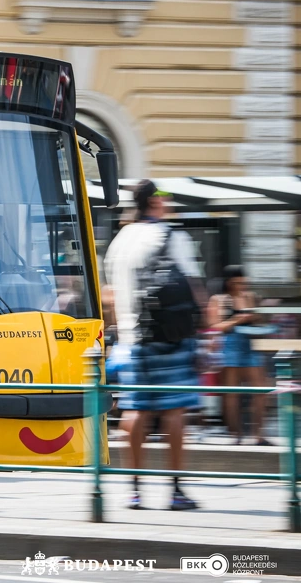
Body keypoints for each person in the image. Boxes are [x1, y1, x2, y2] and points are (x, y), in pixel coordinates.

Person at [103, 180, 202, 511]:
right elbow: (194, 287)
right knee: (174, 412)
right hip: (171, 337)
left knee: (135, 411)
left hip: (132, 339)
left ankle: (134, 491)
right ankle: (175, 491)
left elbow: (112, 295)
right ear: (155, 203)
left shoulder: (120, 240)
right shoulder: (171, 236)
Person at [206, 265, 270, 445]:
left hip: (249, 344)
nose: (241, 286)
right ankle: (235, 434)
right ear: (228, 283)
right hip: (229, 345)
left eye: (243, 282)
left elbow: (261, 320)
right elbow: (214, 326)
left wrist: (256, 316)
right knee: (232, 393)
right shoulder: (218, 300)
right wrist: (237, 320)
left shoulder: (250, 297)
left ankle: (258, 434)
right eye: (236, 283)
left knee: (261, 390)